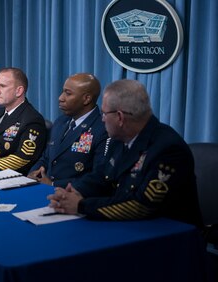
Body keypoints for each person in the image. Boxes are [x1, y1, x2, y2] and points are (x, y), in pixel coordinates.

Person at [47, 79, 203, 227]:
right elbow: (103, 176)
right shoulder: (120, 138)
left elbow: (142, 205)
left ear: (120, 117)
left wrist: (81, 205)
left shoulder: (167, 148)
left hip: (169, 233)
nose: (101, 120)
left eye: (104, 114)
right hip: (129, 224)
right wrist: (75, 190)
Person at [28, 73, 107, 188]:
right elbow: (46, 157)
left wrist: (53, 184)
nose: (60, 98)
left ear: (86, 99)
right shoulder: (61, 122)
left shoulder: (102, 128)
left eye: (68, 93)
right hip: (43, 189)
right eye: (63, 92)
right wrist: (33, 172)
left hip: (74, 195)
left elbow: (98, 177)